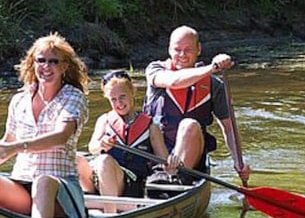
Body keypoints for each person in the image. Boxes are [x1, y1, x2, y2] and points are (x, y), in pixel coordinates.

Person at [0, 32, 90, 218]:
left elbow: (61, 136)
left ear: (64, 66)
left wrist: (17, 147)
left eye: (53, 62)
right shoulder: (19, 100)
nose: (46, 67)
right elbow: (6, 144)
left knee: (43, 182)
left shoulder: (73, 97)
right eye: (41, 60)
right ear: (33, 64)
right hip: (23, 185)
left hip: (61, 190)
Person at [143, 25, 251, 185]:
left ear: (198, 49)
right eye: (177, 49)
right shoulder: (155, 69)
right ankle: (161, 178)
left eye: (188, 50)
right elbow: (174, 81)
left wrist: (238, 162)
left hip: (191, 158)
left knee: (190, 125)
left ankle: (174, 179)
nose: (182, 55)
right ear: (169, 50)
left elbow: (229, 128)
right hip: (156, 154)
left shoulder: (214, 86)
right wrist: (212, 68)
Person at [77, 70, 181, 198]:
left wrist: (172, 165)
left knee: (105, 161)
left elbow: (164, 161)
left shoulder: (151, 126)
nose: (119, 103)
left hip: (132, 183)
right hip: (103, 176)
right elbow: (92, 148)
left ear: (132, 92)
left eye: (122, 97)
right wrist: (101, 144)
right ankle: (87, 201)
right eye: (113, 99)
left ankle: (110, 213)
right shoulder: (104, 120)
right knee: (77, 159)